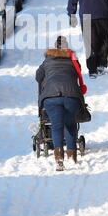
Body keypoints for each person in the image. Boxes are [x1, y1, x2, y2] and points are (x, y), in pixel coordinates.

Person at [36, 36, 86, 171]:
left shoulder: (48, 60)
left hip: (51, 97)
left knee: (56, 126)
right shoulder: (73, 59)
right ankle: (72, 157)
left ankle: (59, 160)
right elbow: (78, 72)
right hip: (71, 95)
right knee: (70, 125)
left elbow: (38, 76)